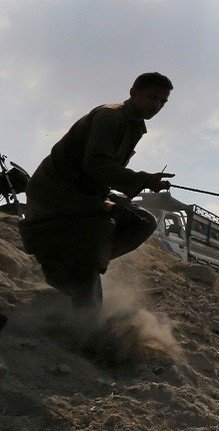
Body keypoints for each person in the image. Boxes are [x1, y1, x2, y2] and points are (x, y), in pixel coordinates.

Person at [19, 73, 174, 309]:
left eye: (162, 102)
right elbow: (96, 164)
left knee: (143, 221)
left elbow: (103, 169)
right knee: (97, 232)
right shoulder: (111, 116)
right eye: (152, 98)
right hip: (58, 195)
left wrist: (141, 181)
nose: (157, 106)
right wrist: (141, 179)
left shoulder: (133, 124)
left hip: (84, 196)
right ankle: (84, 289)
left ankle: (80, 267)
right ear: (133, 92)